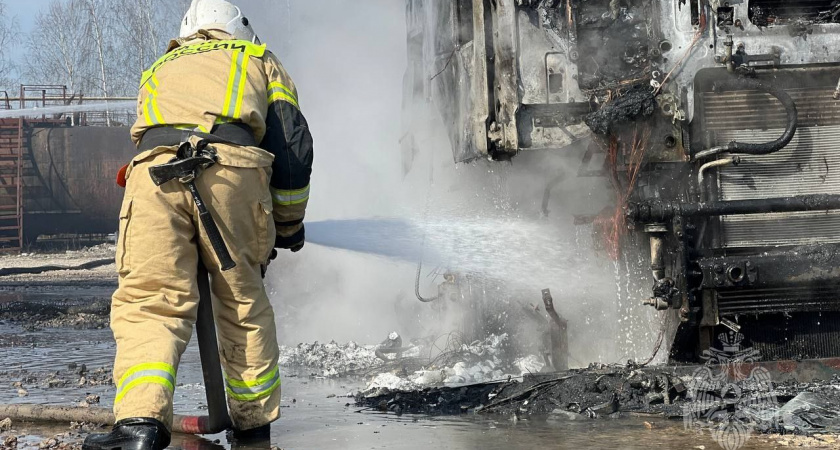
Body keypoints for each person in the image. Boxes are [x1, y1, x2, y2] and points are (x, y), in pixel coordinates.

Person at [84, 1, 313, 448]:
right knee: (241, 300)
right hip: (230, 172)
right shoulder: (257, 58)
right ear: (237, 29)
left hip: (153, 177)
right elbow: (291, 149)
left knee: (149, 300)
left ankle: (139, 426)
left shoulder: (157, 68)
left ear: (187, 33)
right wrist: (288, 225)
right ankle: (253, 431)